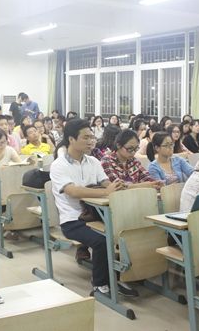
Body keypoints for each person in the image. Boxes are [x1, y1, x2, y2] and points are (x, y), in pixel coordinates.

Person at [50, 119, 137, 297]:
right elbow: (73, 191)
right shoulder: (59, 165)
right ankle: (100, 284)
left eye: (92, 137)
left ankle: (117, 277)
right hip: (73, 220)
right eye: (86, 137)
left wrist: (116, 186)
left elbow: (105, 182)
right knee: (101, 241)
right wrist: (106, 192)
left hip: (96, 214)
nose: (91, 141)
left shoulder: (93, 162)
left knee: (125, 231)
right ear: (71, 139)